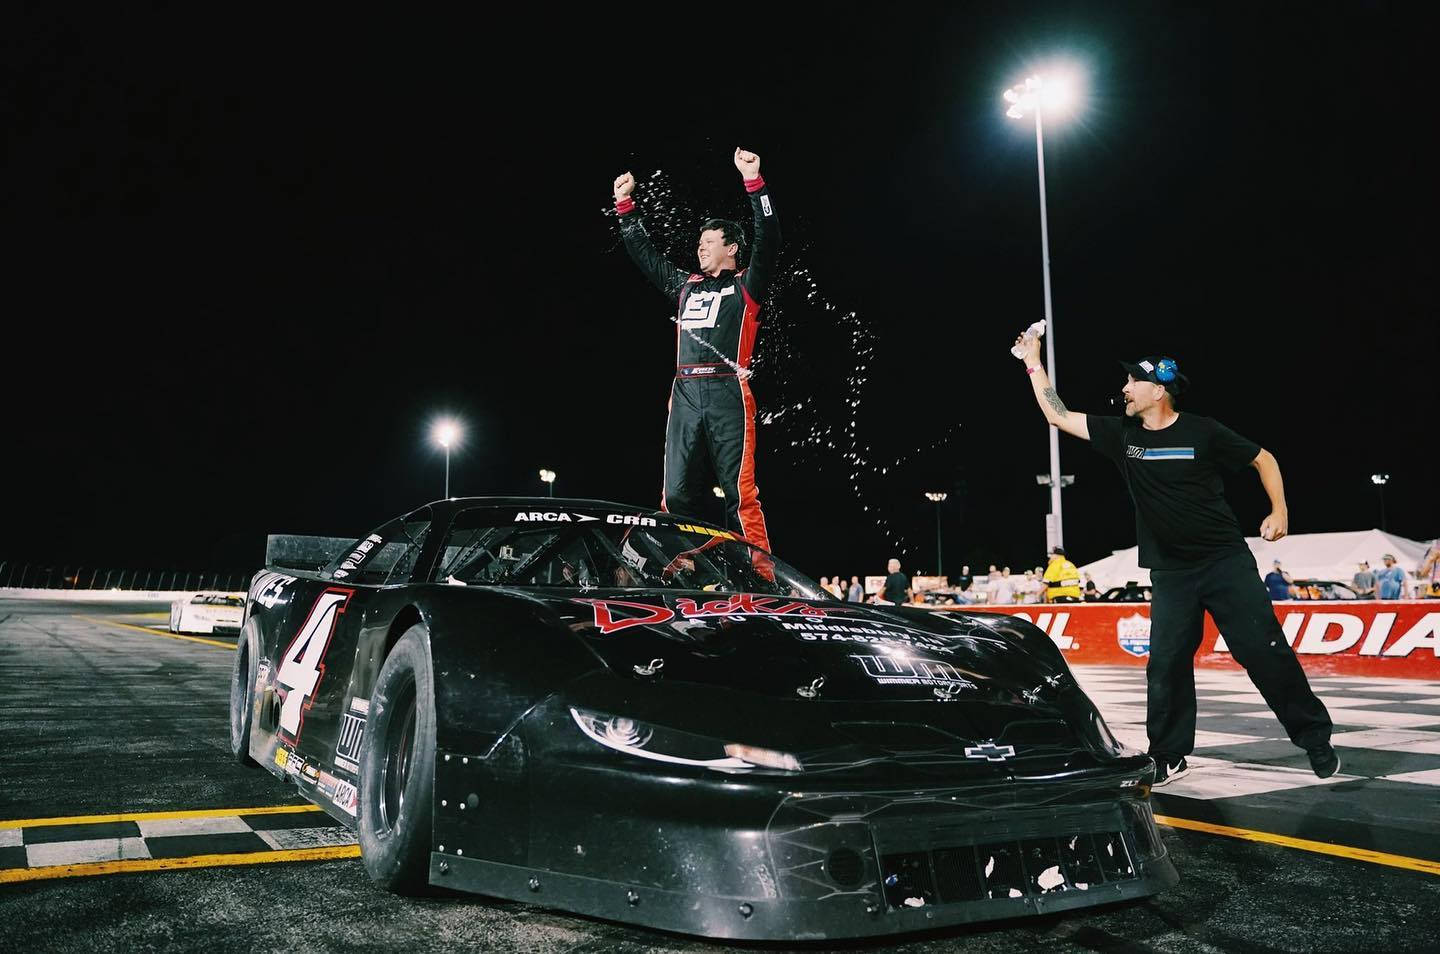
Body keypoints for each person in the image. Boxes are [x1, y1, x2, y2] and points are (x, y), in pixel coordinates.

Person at [1013, 340, 1337, 783]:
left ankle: (1315, 738)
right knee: (1165, 664)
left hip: (1226, 563)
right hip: (1171, 573)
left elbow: (1264, 459)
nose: (1124, 388)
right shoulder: (1122, 436)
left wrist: (1279, 510)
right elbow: (1058, 413)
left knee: (1263, 652)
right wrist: (1033, 362)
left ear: (1158, 391)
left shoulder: (1203, 432)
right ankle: (1168, 754)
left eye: (1133, 381)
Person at [613, 148, 779, 556]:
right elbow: (646, 258)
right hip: (685, 392)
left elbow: (770, 237)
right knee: (675, 493)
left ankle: (759, 576)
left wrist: (754, 183)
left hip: (728, 393)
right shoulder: (685, 286)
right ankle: (678, 565)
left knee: (740, 494)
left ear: (733, 249)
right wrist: (625, 207)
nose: (700, 248)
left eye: (709, 242)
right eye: (700, 242)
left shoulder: (746, 287)